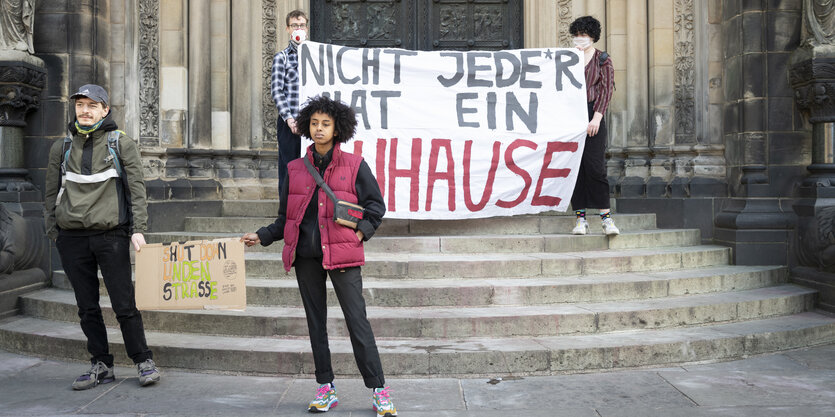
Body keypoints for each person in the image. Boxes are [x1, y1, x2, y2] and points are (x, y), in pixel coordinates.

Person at [241, 96, 396, 416]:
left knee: (358, 322)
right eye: (314, 123)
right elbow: (286, 219)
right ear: (307, 128)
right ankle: (326, 388)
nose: (320, 128)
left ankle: (379, 389)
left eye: (326, 124)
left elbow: (376, 206)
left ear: (338, 128)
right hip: (306, 257)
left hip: (343, 255)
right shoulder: (295, 169)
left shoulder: (354, 165)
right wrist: (263, 235)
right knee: (316, 324)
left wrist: (361, 232)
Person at [44, 84, 160, 390]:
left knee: (124, 305)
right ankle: (100, 364)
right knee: (87, 307)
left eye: (92, 105)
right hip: (71, 238)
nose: (84, 110)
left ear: (105, 109)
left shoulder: (121, 143)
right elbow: (49, 191)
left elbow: (136, 189)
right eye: (80, 105)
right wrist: (52, 230)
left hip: (111, 235)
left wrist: (138, 229)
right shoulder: (62, 146)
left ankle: (143, 360)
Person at [568, 15, 620, 236]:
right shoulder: (567, 59)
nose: (580, 39)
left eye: (584, 35)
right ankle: (580, 220)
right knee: (575, 169)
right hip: (571, 117)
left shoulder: (602, 59)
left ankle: (606, 219)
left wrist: (596, 118)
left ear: (593, 36)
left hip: (592, 114)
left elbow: (606, 90)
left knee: (595, 168)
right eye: (577, 35)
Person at [271, 9, 309, 192]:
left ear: (307, 28)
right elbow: (277, 91)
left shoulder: (315, 58)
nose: (298, 28)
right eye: (295, 25)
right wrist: (289, 118)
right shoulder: (282, 57)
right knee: (288, 169)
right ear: (288, 29)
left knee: (311, 170)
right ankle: (286, 215)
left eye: (301, 25)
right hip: (289, 123)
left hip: (312, 123)